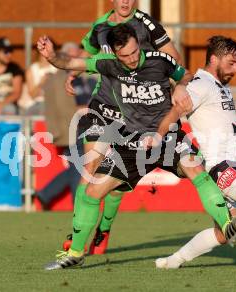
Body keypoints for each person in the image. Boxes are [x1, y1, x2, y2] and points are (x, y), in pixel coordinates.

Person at [37, 24, 236, 270]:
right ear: (115, 54)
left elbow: (188, 75)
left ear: (138, 43)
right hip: (132, 145)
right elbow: (70, 63)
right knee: (90, 192)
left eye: (135, 51)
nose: (133, 58)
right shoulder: (107, 64)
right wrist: (51, 56)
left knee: (197, 171)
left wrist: (180, 85)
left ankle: (225, 223)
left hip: (167, 138)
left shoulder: (159, 60)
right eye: (126, 55)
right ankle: (75, 252)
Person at [142, 36, 236, 269]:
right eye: (231, 63)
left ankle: (172, 261)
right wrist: (158, 134)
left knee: (223, 234)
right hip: (221, 165)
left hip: (228, 164)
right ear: (214, 59)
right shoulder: (201, 85)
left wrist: (235, 51)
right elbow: (176, 110)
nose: (235, 69)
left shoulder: (218, 85)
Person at [62, 0, 183, 256]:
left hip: (134, 112)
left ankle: (103, 229)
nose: (125, 1)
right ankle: (78, 233)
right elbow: (88, 52)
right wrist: (73, 72)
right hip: (103, 107)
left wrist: (175, 87)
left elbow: (173, 58)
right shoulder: (100, 25)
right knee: (91, 168)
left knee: (116, 180)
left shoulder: (146, 24)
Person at [35, 42, 85, 209]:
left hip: (58, 129)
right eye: (74, 56)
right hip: (72, 127)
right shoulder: (68, 78)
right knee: (78, 168)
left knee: (75, 167)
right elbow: (75, 108)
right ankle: (53, 195)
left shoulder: (50, 80)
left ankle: (45, 194)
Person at [22, 47, 58, 115]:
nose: (46, 55)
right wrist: (41, 83)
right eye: (43, 52)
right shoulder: (32, 70)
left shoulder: (57, 68)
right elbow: (33, 95)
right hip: (37, 104)